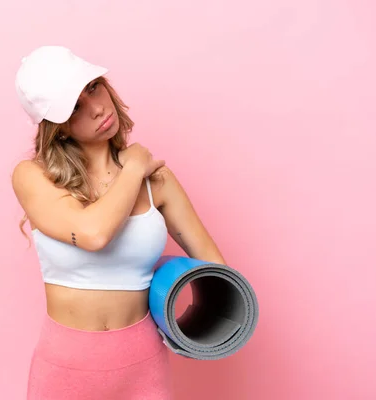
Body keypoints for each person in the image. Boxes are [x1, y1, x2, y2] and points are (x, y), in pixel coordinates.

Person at [12, 45, 226, 399]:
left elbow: (217, 271)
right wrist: (134, 168)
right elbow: (94, 234)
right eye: (75, 107)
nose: (97, 108)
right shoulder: (34, 176)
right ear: (58, 128)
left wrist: (198, 322)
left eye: (93, 87)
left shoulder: (159, 182)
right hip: (66, 370)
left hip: (144, 366)